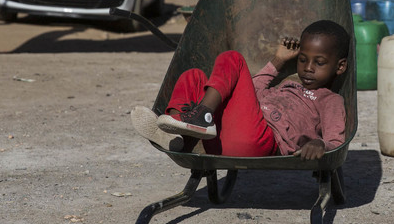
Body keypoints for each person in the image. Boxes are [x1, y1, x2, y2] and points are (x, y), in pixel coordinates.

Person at [147, 19, 349, 160]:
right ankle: (178, 137)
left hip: (262, 141)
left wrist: (321, 145)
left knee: (233, 58)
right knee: (194, 77)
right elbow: (248, 90)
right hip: (223, 136)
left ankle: (201, 117)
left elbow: (335, 139)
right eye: (302, 60)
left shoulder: (329, 100)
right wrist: (278, 60)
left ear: (339, 66)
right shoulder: (284, 86)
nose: (308, 68)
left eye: (319, 63)